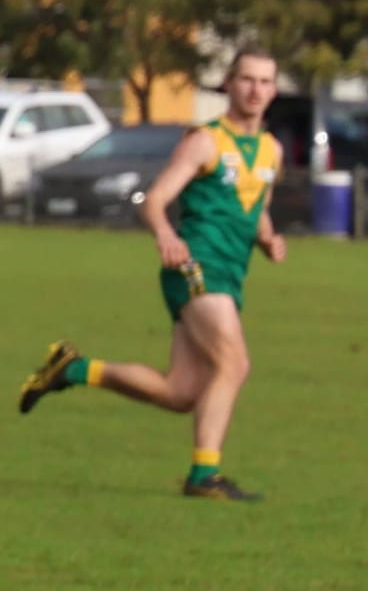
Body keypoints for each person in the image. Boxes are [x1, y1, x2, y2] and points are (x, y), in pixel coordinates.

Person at [19, 50, 287, 502]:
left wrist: (268, 238)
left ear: (274, 91)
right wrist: (165, 234)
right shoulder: (204, 140)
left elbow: (255, 206)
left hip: (229, 273)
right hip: (195, 265)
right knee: (234, 363)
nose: (255, 90)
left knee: (181, 392)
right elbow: (154, 200)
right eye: (247, 79)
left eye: (265, 82)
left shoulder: (272, 150)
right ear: (229, 83)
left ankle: (74, 368)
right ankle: (205, 475)